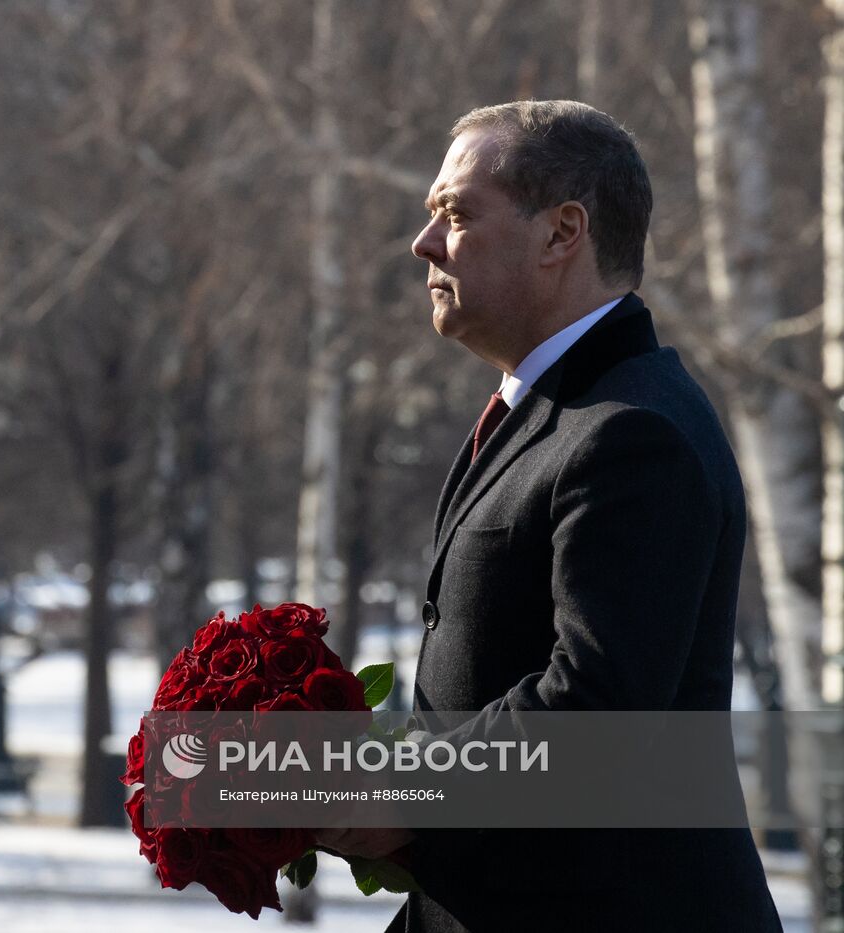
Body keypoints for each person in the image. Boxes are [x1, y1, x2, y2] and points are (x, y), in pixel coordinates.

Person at [315, 100, 782, 932]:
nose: (424, 245)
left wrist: (406, 793)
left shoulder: (634, 431)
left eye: (456, 215)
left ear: (563, 233)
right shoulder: (551, 411)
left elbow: (597, 705)